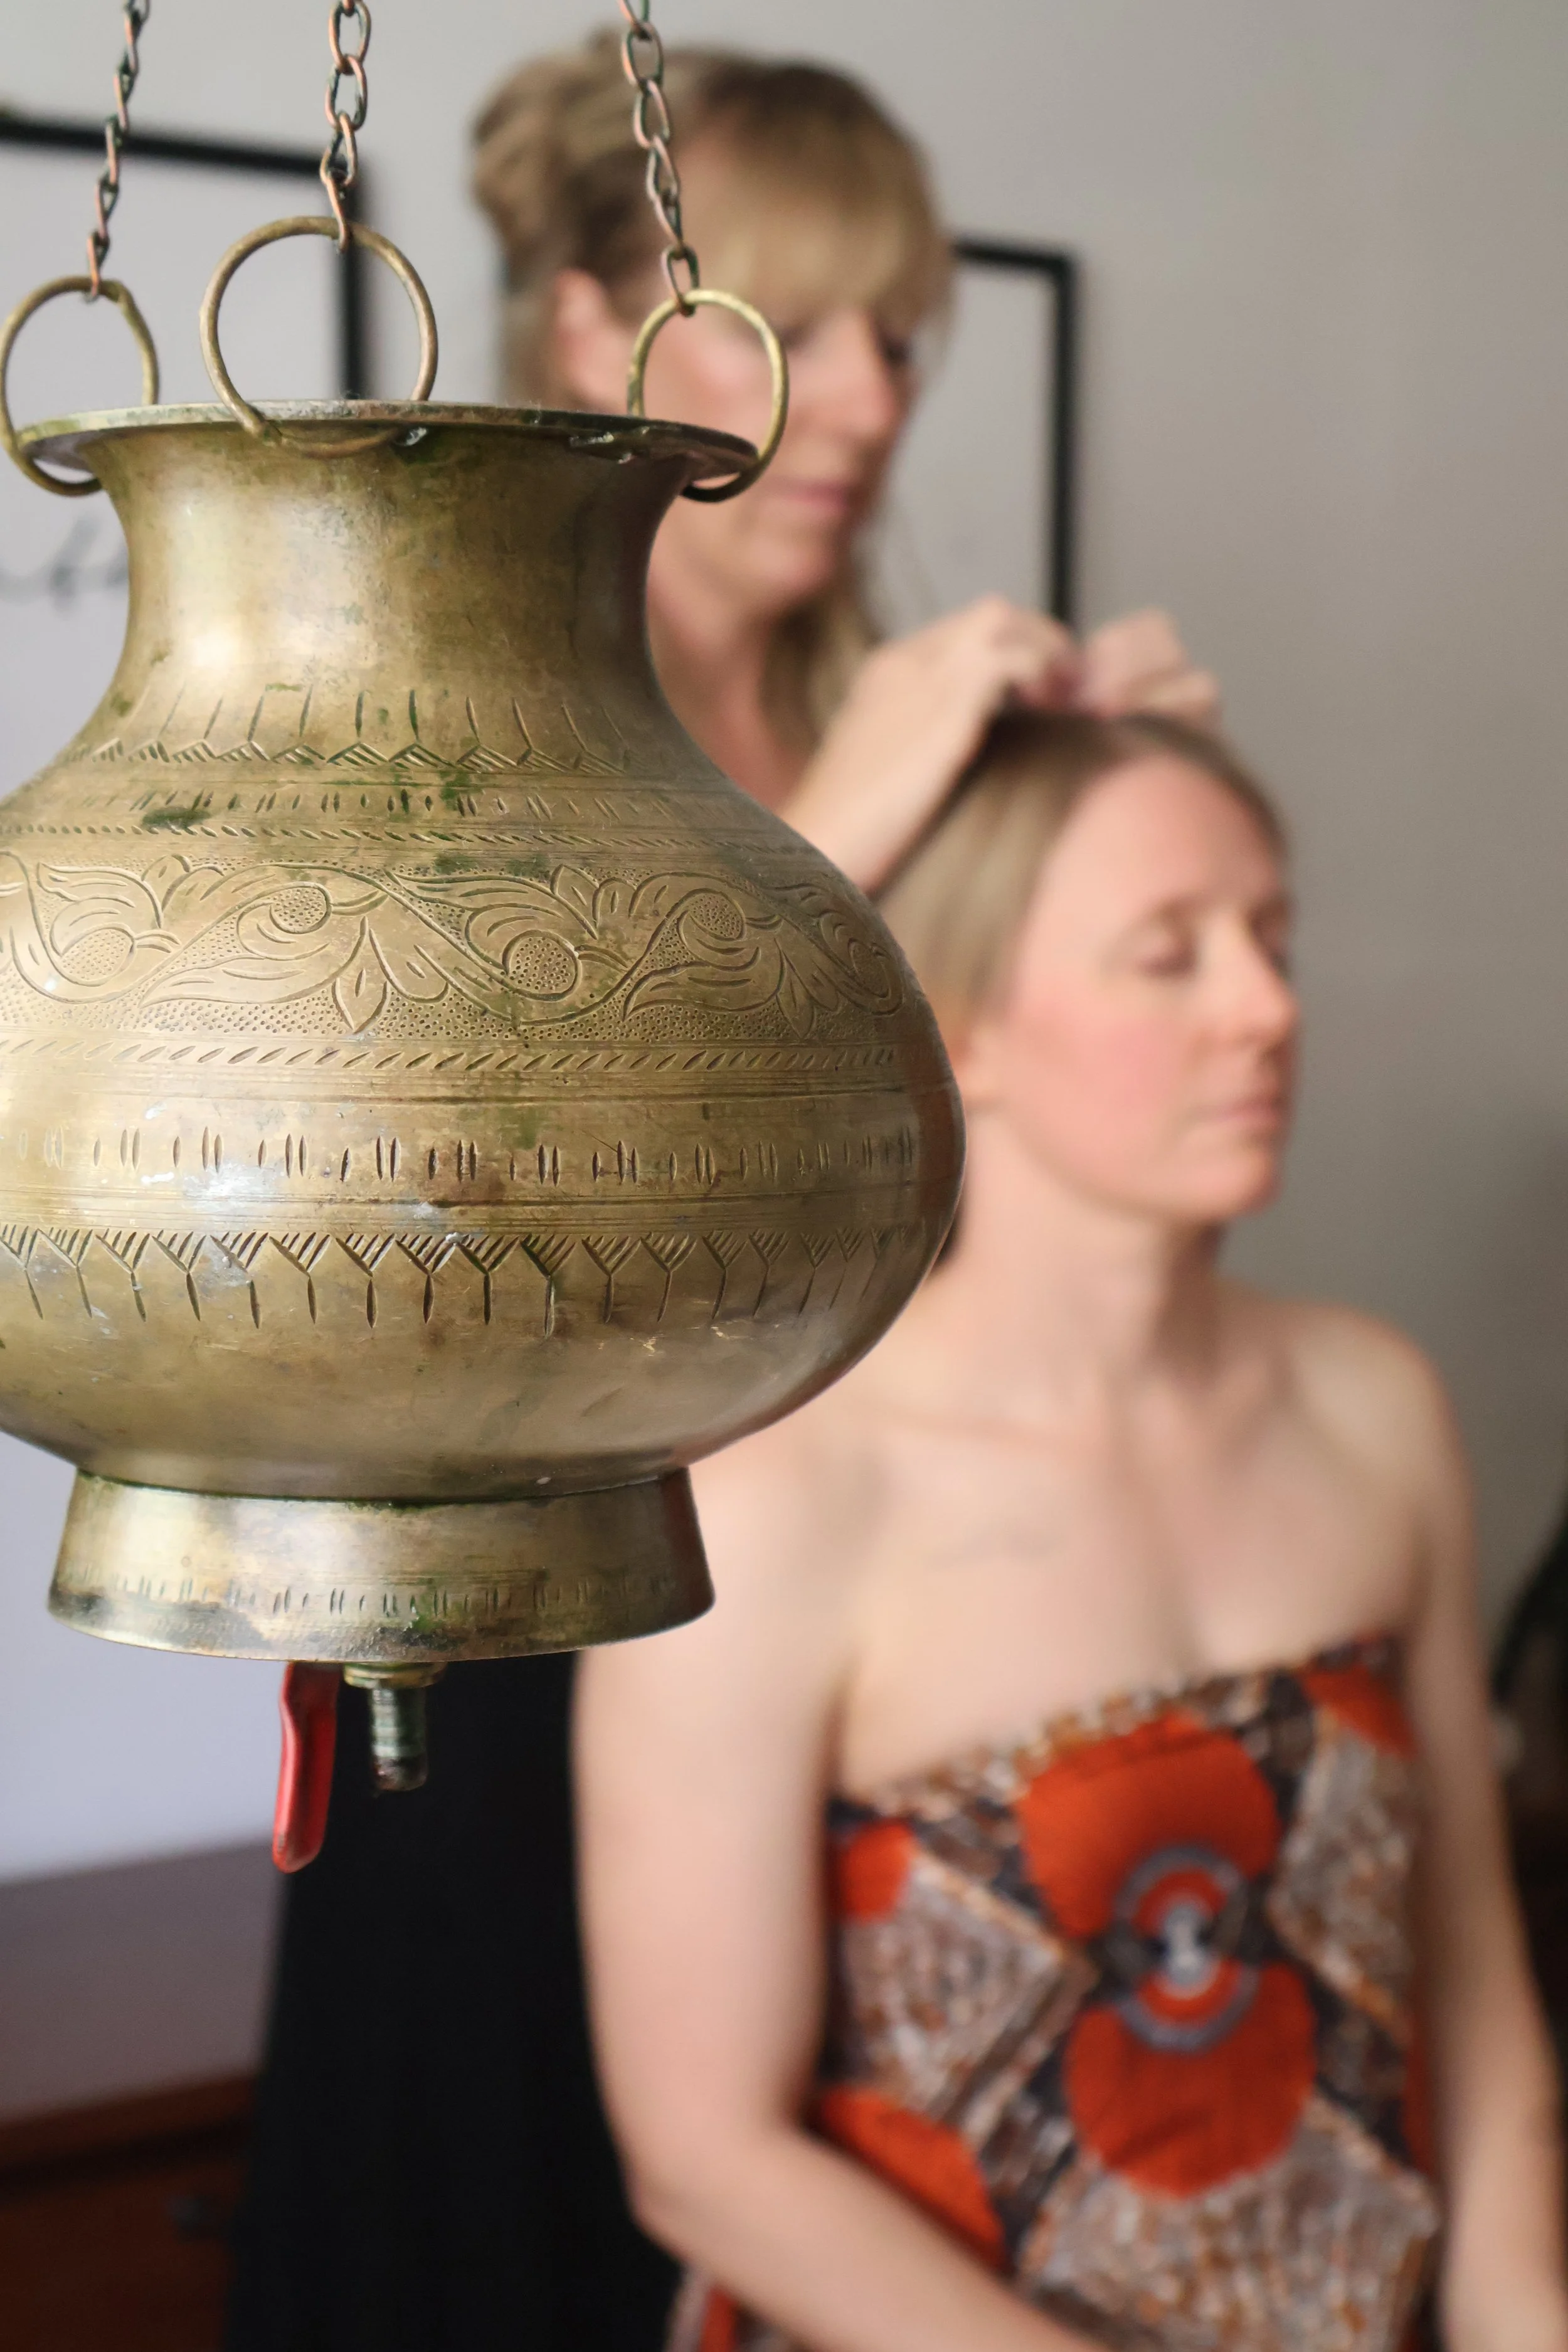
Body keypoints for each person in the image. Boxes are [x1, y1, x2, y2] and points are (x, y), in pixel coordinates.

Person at [228, 38, 1216, 2352]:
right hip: (515, 1659)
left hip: (879, 1662)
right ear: (586, 323)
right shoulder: (436, 713)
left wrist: (1103, 843)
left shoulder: (918, 723)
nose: (863, 398)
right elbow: (420, 1204)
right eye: (798, 319)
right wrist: (845, 834)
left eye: (903, 337)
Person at [578, 709, 1568, 2352]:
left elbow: (1466, 1967)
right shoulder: (771, 1503)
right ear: (961, 1025)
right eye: (1166, 956)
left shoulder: (1373, 1407)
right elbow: (706, 2159)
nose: (1265, 1009)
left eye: (1270, 940)